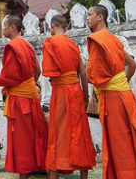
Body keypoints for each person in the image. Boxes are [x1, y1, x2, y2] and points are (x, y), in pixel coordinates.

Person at [87, 5, 136, 179]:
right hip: (125, 95)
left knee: (119, 144)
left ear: (100, 17)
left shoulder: (97, 40)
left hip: (113, 98)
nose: (87, 18)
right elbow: (132, 65)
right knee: (131, 138)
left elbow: (94, 75)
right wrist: (120, 82)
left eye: (90, 14)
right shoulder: (115, 40)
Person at [0, 15, 48, 179]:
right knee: (35, 132)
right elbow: (37, 71)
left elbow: (11, 75)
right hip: (32, 95)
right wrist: (29, 85)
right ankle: (40, 165)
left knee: (21, 136)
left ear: (13, 27)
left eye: (4, 26)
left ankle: (24, 173)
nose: (2, 29)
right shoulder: (28, 45)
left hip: (20, 99)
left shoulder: (12, 46)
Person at [42, 14, 96, 179]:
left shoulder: (50, 43)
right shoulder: (73, 45)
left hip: (60, 92)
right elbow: (83, 72)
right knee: (80, 133)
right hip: (76, 91)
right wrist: (85, 96)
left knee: (58, 134)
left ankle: (54, 175)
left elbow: (50, 72)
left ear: (52, 26)